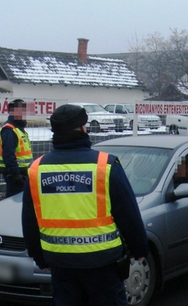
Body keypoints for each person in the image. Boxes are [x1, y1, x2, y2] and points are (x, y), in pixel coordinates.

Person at [21, 104, 148, 305]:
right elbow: (128, 213)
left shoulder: (36, 170)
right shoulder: (105, 165)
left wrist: (39, 257)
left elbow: (29, 220)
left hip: (60, 264)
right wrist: (140, 249)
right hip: (103, 265)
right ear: (82, 129)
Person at [0, 99, 33, 197]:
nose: (21, 113)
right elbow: (8, 155)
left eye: (23, 110)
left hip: (22, 173)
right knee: (14, 201)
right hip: (15, 174)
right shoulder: (9, 130)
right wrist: (15, 175)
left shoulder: (18, 128)